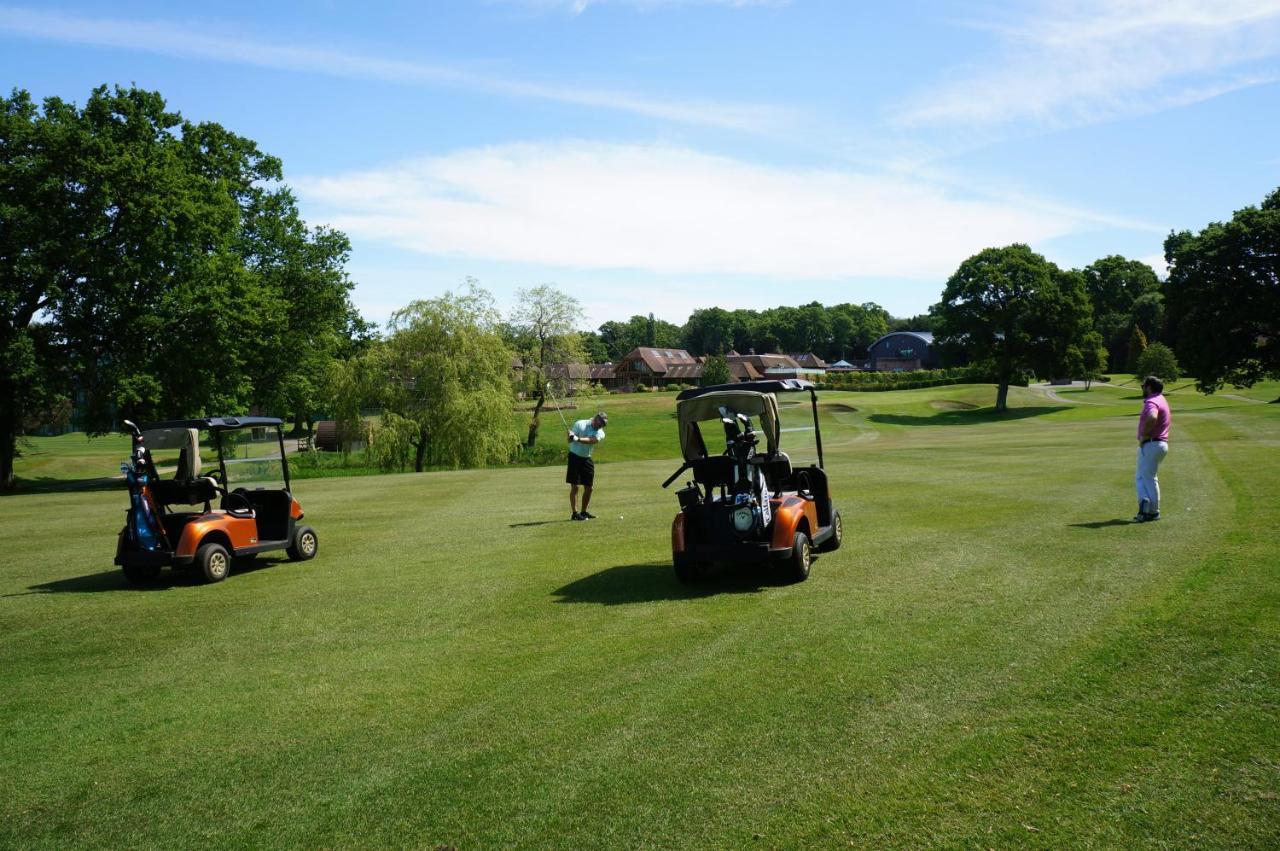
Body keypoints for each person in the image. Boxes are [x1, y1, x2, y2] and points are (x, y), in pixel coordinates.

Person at [1134, 375, 1171, 522]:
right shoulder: (1161, 399)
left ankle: (1147, 507)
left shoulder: (1151, 401)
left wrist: (1144, 434)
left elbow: (1152, 417)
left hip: (1151, 443)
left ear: (1149, 387)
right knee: (1148, 477)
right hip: (1160, 444)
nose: (1142, 388)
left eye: (1143, 386)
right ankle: (1151, 510)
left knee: (1143, 477)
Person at [567, 411, 607, 521]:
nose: (600, 427)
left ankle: (583, 512)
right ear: (595, 419)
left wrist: (578, 439)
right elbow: (569, 440)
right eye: (599, 424)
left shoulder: (600, 432)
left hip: (586, 458)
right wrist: (570, 436)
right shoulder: (580, 424)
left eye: (602, 425)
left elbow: (592, 441)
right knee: (575, 486)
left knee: (589, 488)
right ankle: (575, 513)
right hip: (574, 457)